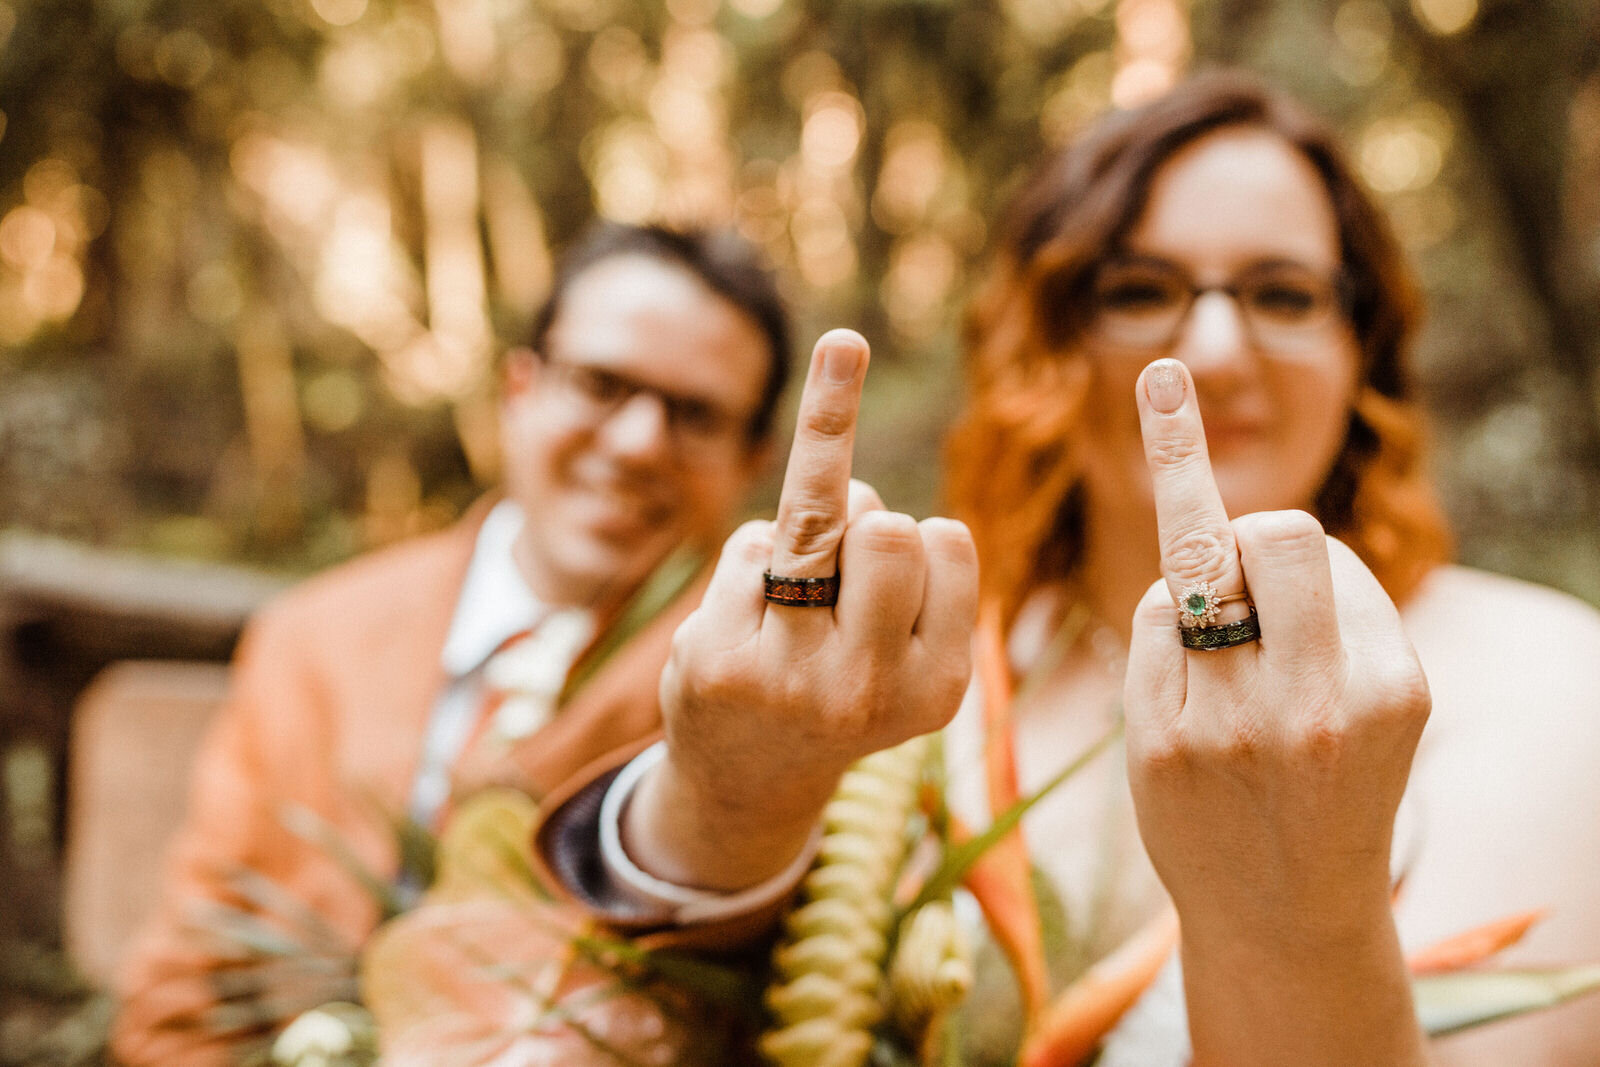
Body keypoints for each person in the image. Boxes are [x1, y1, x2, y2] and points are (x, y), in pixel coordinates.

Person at [530, 71, 1600, 1065]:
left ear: (1358, 348)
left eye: (1282, 294)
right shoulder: (903, 664)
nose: (1218, 353)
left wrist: (1295, 904)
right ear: (1041, 338)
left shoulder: (1546, 680)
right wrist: (734, 793)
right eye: (1141, 289)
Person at [110, 221, 792, 1065]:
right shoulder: (316, 637)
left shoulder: (765, 688)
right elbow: (188, 979)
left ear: (753, 457)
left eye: (694, 414)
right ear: (520, 386)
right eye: (602, 384)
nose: (636, 443)